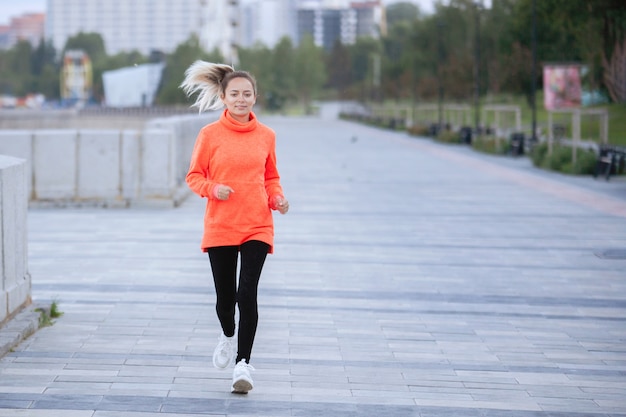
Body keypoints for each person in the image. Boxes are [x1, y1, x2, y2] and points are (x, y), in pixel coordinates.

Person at [180, 60, 289, 394]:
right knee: (225, 300)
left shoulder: (266, 136)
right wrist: (214, 189)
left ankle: (243, 365)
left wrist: (278, 198)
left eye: (247, 93)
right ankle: (227, 335)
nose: (241, 99)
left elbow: (270, 176)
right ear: (224, 97)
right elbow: (193, 176)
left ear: (255, 97)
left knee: (247, 294)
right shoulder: (209, 135)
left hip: (257, 222)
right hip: (221, 224)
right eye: (235, 94)